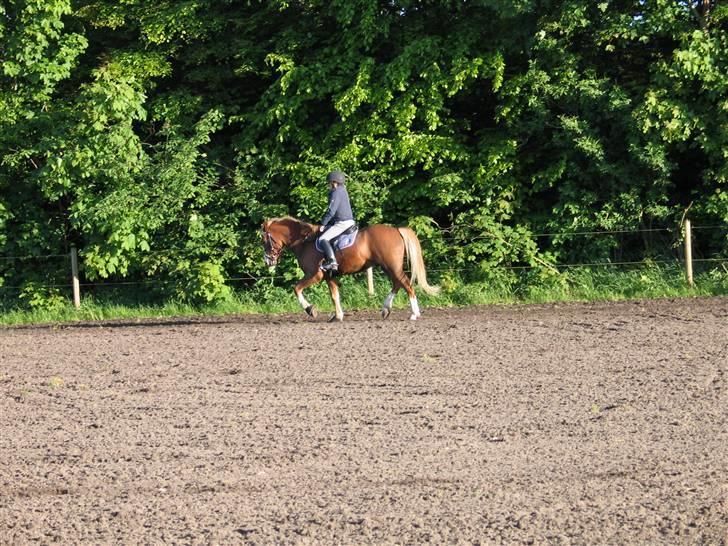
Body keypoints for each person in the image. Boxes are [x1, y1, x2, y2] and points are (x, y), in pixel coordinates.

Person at [318, 170, 355, 271]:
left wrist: (323, 223)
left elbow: (331, 211)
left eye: (329, 183)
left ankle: (332, 261)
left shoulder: (336, 192)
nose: (329, 185)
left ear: (334, 183)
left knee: (322, 239)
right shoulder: (343, 190)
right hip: (349, 221)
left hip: (342, 223)